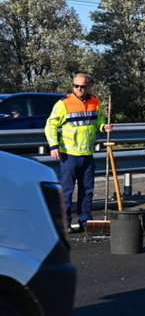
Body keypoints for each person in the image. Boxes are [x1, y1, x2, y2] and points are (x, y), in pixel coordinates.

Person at [45, 74, 112, 232]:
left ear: (87, 87)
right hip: (69, 154)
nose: (79, 89)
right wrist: (54, 145)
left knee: (87, 190)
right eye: (76, 86)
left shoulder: (95, 101)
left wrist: (104, 127)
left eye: (82, 87)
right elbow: (50, 124)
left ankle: (85, 221)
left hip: (87, 154)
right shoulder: (64, 104)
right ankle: (65, 223)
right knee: (67, 191)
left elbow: (98, 121)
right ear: (73, 86)